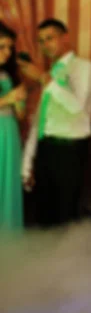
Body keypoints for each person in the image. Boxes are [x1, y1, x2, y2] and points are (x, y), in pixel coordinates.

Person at [18, 19, 91, 227]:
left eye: (50, 38)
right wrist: (27, 163)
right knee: (44, 215)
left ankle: (68, 259)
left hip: (69, 151)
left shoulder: (84, 67)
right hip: (45, 150)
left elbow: (77, 108)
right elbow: (40, 120)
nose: (46, 45)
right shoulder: (52, 74)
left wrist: (44, 79)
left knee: (66, 217)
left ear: (65, 38)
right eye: (41, 41)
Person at [0, 23, 26, 231]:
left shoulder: (8, 75)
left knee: (8, 184)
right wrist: (8, 98)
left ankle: (8, 239)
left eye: (10, 47)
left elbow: (20, 114)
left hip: (9, 133)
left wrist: (19, 102)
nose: (7, 53)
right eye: (2, 47)